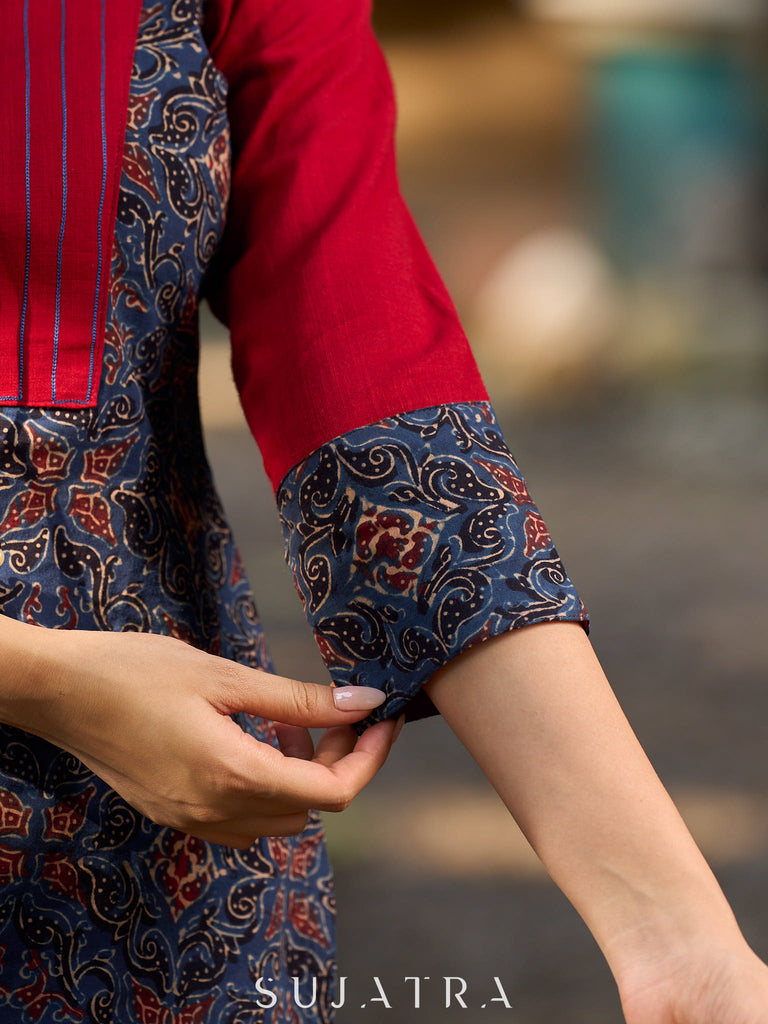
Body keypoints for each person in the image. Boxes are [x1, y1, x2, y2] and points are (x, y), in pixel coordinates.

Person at [0, 1, 767, 1022]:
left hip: (150, 850)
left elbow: (366, 374)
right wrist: (43, 681)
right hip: (130, 725)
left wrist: (679, 945)